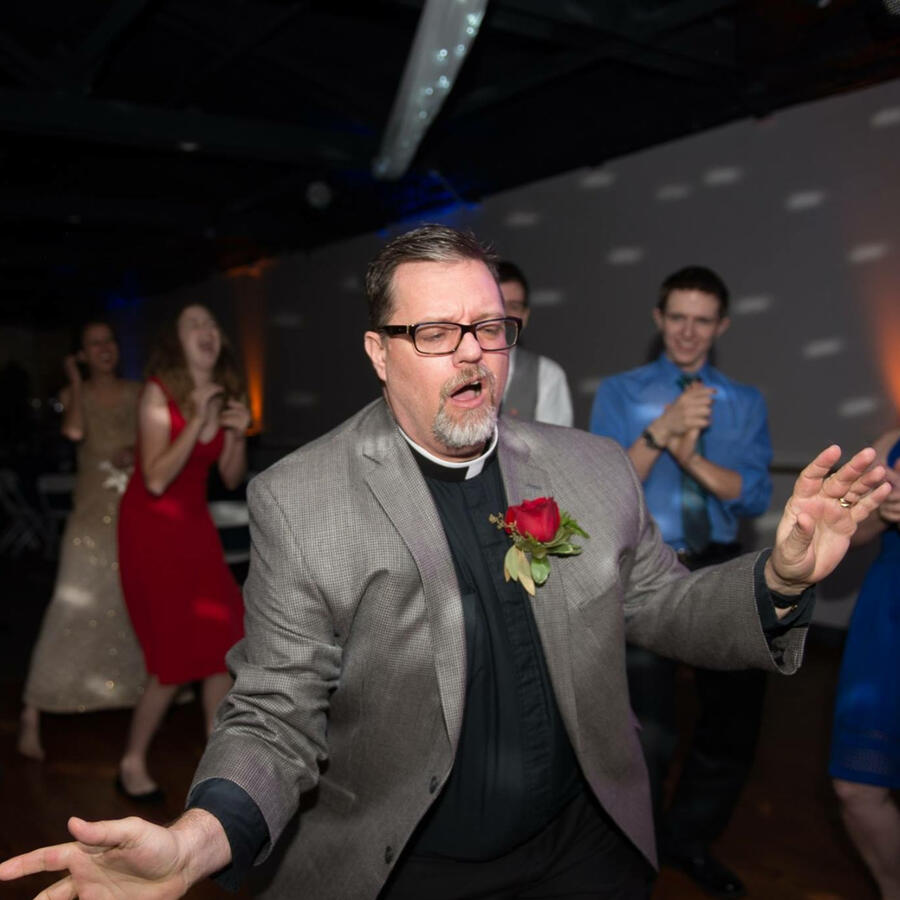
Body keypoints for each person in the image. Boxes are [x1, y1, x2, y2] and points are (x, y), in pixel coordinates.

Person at [0, 226, 890, 900]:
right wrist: (196, 842)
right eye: (435, 331)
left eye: (489, 328)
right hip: (410, 867)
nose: (471, 351)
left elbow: (663, 603)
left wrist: (781, 576)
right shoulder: (304, 501)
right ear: (379, 353)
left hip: (586, 850)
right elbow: (274, 711)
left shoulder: (589, 466)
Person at [589, 265, 772, 897]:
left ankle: (689, 838)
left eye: (702, 321)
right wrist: (660, 430)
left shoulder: (745, 401)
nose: (688, 333)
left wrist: (691, 458)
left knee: (733, 717)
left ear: (721, 326)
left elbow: (752, 496)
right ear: (658, 319)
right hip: (647, 562)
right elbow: (607, 489)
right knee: (649, 728)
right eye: (677, 318)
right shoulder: (620, 392)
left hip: (721, 561)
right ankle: (637, 845)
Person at [114, 303, 250, 800]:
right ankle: (131, 762)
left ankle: (216, 756)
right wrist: (195, 418)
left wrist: (237, 431)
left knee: (223, 641)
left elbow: (231, 477)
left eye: (212, 322)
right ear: (178, 341)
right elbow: (154, 478)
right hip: (151, 529)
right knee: (174, 655)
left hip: (195, 527)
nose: (206, 330)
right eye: (194, 323)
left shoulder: (227, 393)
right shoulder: (158, 392)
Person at [18, 321, 146, 761]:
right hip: (90, 518)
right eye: (94, 343)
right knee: (69, 606)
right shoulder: (75, 393)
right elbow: (73, 432)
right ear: (82, 354)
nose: (105, 348)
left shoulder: (138, 392)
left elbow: (156, 442)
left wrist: (136, 452)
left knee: (130, 604)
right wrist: (74, 380)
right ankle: (32, 711)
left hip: (134, 513)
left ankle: (132, 694)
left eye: (109, 340)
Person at [829, 425, 900, 899]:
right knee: (856, 787)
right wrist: (881, 510)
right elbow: (849, 530)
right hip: (889, 614)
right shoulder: (894, 439)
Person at [497, 260, 574, 426]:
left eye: (513, 307)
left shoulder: (547, 375)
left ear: (525, 316)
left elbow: (554, 441)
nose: (504, 315)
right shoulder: (458, 366)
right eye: (498, 304)